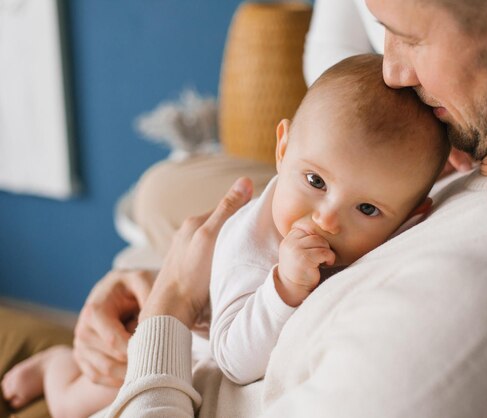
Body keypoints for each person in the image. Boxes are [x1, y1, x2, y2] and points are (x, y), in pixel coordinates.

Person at [3, 0, 487, 416]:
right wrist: (170, 300)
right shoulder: (481, 163)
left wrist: (170, 308)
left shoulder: (486, 315)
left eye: (408, 36)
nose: (392, 70)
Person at [0, 54, 449, 416]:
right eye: (314, 182)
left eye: (367, 209)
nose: (328, 220)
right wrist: (284, 288)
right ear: (283, 148)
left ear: (411, 216)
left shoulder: (396, 235)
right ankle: (55, 367)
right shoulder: (250, 246)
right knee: (75, 405)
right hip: (182, 349)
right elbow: (233, 357)